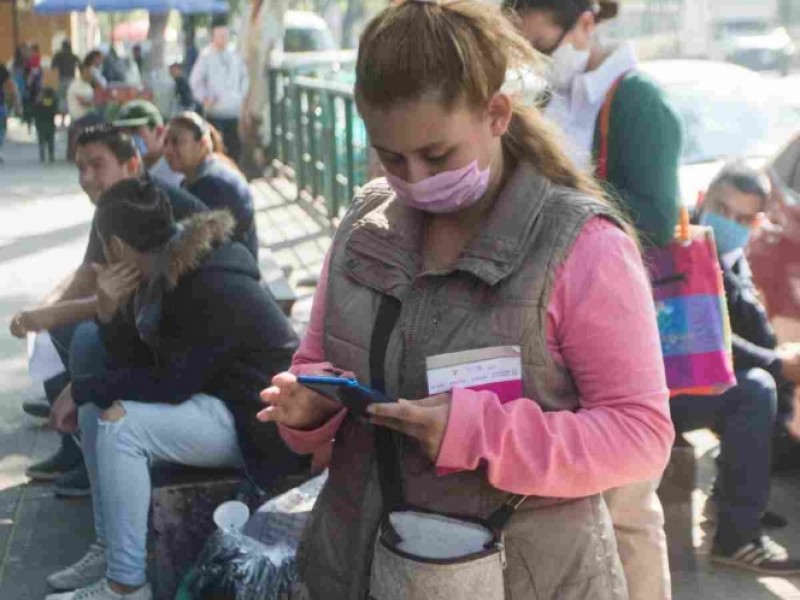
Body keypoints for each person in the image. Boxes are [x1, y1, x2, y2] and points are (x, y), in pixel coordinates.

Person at [259, 1, 674, 598]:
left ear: (497, 114)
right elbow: (316, 362)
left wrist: (483, 434)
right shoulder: (365, 225)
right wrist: (308, 410)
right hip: (357, 564)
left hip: (523, 576)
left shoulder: (584, 247)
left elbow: (640, 434)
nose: (416, 179)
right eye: (392, 157)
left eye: (438, 155)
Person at [45, 179, 306, 600]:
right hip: (218, 400)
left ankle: (126, 586)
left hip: (259, 423)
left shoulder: (206, 279)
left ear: (116, 247)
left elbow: (170, 383)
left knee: (120, 425)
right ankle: (110, 551)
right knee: (98, 405)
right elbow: (144, 366)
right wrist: (110, 315)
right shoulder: (171, 268)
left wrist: (80, 387)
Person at [10, 126, 208, 498]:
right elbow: (91, 274)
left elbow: (132, 296)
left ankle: (91, 461)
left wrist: (50, 316)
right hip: (153, 327)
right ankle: (77, 447)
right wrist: (44, 310)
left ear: (131, 165)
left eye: (97, 165)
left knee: (82, 337)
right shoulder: (114, 202)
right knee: (65, 330)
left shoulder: (149, 206)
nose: (86, 177)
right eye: (80, 167)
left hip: (190, 351)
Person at [670, 162, 800, 574]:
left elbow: (748, 327)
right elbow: (708, 341)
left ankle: (737, 499)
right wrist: (779, 363)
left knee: (771, 380)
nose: (730, 223)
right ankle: (736, 538)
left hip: (692, 380)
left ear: (756, 222)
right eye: (723, 210)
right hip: (661, 391)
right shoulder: (682, 246)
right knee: (756, 388)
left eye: (743, 219)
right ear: (703, 199)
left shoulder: (728, 252)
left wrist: (781, 356)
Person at [505, 0, 682, 249]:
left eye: (541, 47)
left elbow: (657, 220)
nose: (535, 61)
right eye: (524, 52)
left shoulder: (639, 100)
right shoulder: (546, 98)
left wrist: (561, 196)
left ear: (586, 25)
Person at [163, 111, 259, 258]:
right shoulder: (201, 175)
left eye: (177, 142)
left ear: (202, 144)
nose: (168, 150)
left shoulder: (214, 185)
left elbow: (192, 247)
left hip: (231, 268)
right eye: (165, 142)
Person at [189, 14, 249, 163]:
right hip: (214, 111)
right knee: (215, 148)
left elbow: (244, 78)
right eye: (219, 35)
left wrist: (240, 97)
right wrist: (204, 98)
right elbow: (195, 81)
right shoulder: (206, 56)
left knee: (234, 147)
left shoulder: (235, 54)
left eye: (225, 35)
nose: (223, 38)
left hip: (233, 110)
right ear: (213, 35)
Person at [112, 100, 184, 188]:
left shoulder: (177, 172)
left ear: (159, 132)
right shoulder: (127, 171)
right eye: (123, 131)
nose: (128, 137)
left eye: (134, 130)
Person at [52, 40, 80, 125]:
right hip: (71, 79)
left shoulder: (59, 55)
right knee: (71, 99)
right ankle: (72, 119)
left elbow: (53, 65)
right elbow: (80, 65)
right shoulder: (73, 55)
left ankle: (62, 120)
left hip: (62, 79)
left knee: (62, 99)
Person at [0, 64, 19, 165]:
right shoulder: (3, 71)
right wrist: (17, 104)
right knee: (1, 130)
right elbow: (13, 89)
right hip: (1, 106)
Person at [34, 87, 58, 163]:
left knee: (41, 141)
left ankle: (42, 155)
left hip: (41, 125)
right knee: (51, 141)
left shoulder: (39, 102)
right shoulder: (53, 102)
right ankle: (51, 155)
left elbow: (35, 112)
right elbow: (55, 111)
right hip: (50, 124)